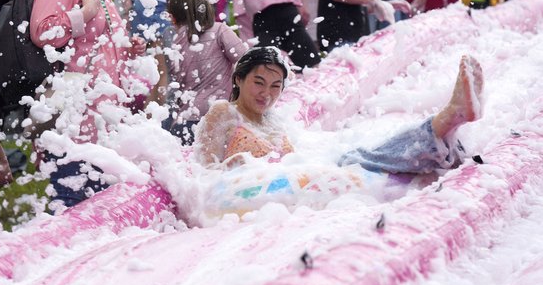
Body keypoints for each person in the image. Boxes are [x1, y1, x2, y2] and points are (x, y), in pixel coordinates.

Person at [195, 46, 484, 183]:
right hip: (270, 186)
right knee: (361, 160)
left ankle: (447, 126)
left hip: (296, 176)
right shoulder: (224, 113)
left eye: (275, 86)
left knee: (359, 155)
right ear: (238, 80)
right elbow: (204, 170)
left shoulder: (274, 120)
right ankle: (445, 123)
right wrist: (236, 170)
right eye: (258, 83)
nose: (266, 94)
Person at [29, 0, 147, 208]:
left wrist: (128, 48)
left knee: (98, 200)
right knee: (71, 198)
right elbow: (42, 32)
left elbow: (102, 48)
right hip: (73, 118)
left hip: (103, 118)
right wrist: (84, 13)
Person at [165, 0, 248, 145]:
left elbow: (177, 88)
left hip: (185, 122)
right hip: (217, 119)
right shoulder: (219, 30)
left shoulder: (175, 44)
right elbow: (247, 62)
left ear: (173, 18)